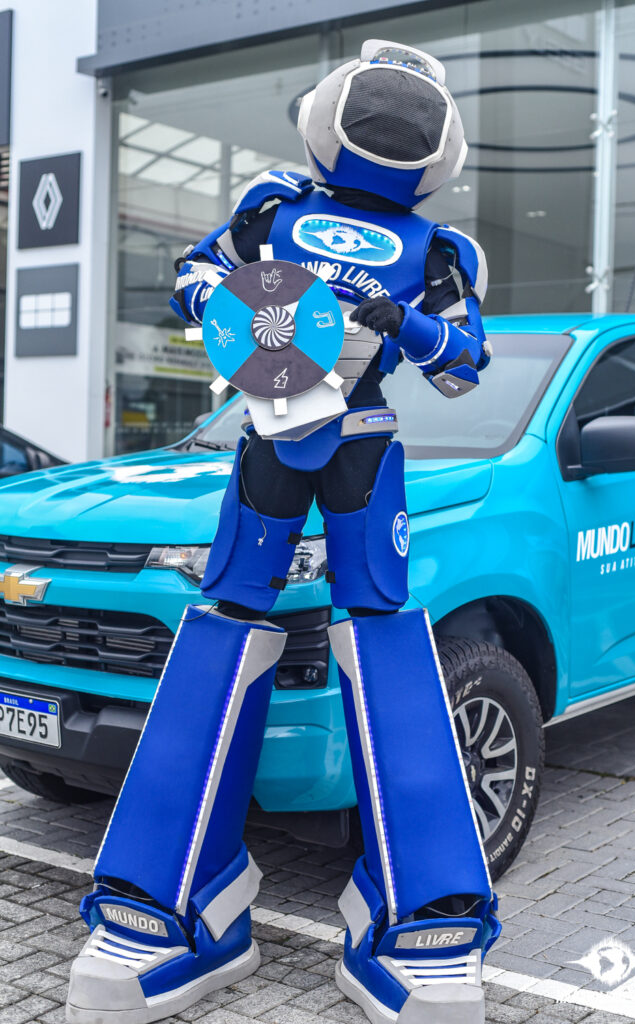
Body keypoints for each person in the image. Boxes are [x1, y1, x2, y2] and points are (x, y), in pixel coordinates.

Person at [66, 39, 500, 1024]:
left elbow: (464, 364)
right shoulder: (272, 207)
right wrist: (242, 314)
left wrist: (400, 321)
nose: (393, 116)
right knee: (222, 624)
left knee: (383, 633)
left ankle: (416, 914)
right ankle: (173, 902)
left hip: (360, 437)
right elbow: (194, 275)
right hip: (272, 424)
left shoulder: (439, 251)